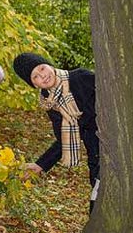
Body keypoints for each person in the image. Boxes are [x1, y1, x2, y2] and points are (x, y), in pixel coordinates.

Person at [12, 52, 100, 211]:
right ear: (35, 85)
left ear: (49, 65)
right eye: (35, 77)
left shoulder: (80, 77)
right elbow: (63, 140)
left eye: (42, 68)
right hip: (96, 154)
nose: (43, 76)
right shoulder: (51, 104)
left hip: (115, 142)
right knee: (98, 198)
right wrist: (41, 164)